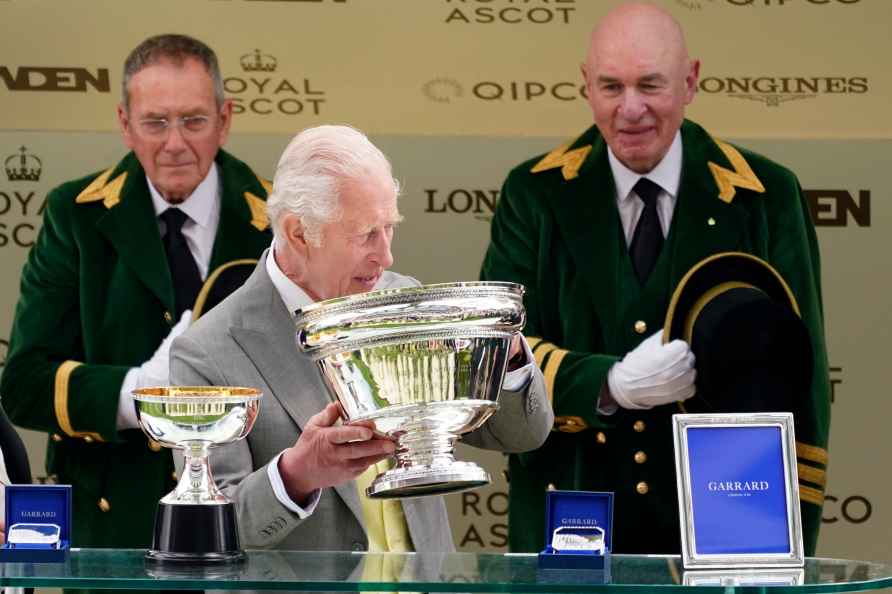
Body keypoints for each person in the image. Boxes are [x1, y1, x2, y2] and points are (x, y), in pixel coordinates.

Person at [480, 1, 830, 555]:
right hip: (572, 511)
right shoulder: (535, 194)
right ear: (585, 86)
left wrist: (786, 549)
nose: (631, 109)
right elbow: (498, 353)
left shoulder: (766, 196)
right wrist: (609, 383)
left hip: (724, 519)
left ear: (690, 81)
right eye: (611, 87)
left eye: (650, 85)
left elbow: (799, 387)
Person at [169, 124, 553, 554]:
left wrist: (508, 356)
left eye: (390, 228)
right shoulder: (207, 350)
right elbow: (209, 531)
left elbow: (520, 436)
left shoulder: (402, 299)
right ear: (298, 233)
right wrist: (297, 475)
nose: (385, 256)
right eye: (366, 234)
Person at [0, 33, 272, 553]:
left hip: (246, 528)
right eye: (155, 122)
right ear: (125, 124)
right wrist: (139, 393)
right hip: (113, 533)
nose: (174, 143)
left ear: (225, 118)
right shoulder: (75, 216)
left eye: (193, 120)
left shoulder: (276, 219)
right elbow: (25, 385)